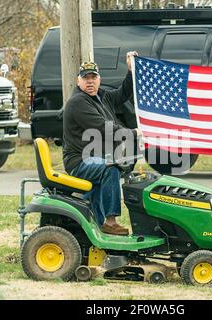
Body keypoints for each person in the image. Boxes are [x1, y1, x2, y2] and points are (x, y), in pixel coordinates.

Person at [62, 51, 139, 236]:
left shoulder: (101, 97)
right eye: (85, 78)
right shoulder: (78, 102)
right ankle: (110, 222)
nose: (90, 81)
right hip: (79, 161)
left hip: (96, 157)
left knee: (116, 169)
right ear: (78, 80)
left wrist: (131, 71)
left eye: (93, 77)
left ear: (99, 79)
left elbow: (123, 94)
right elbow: (104, 129)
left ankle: (94, 228)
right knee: (110, 168)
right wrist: (134, 133)